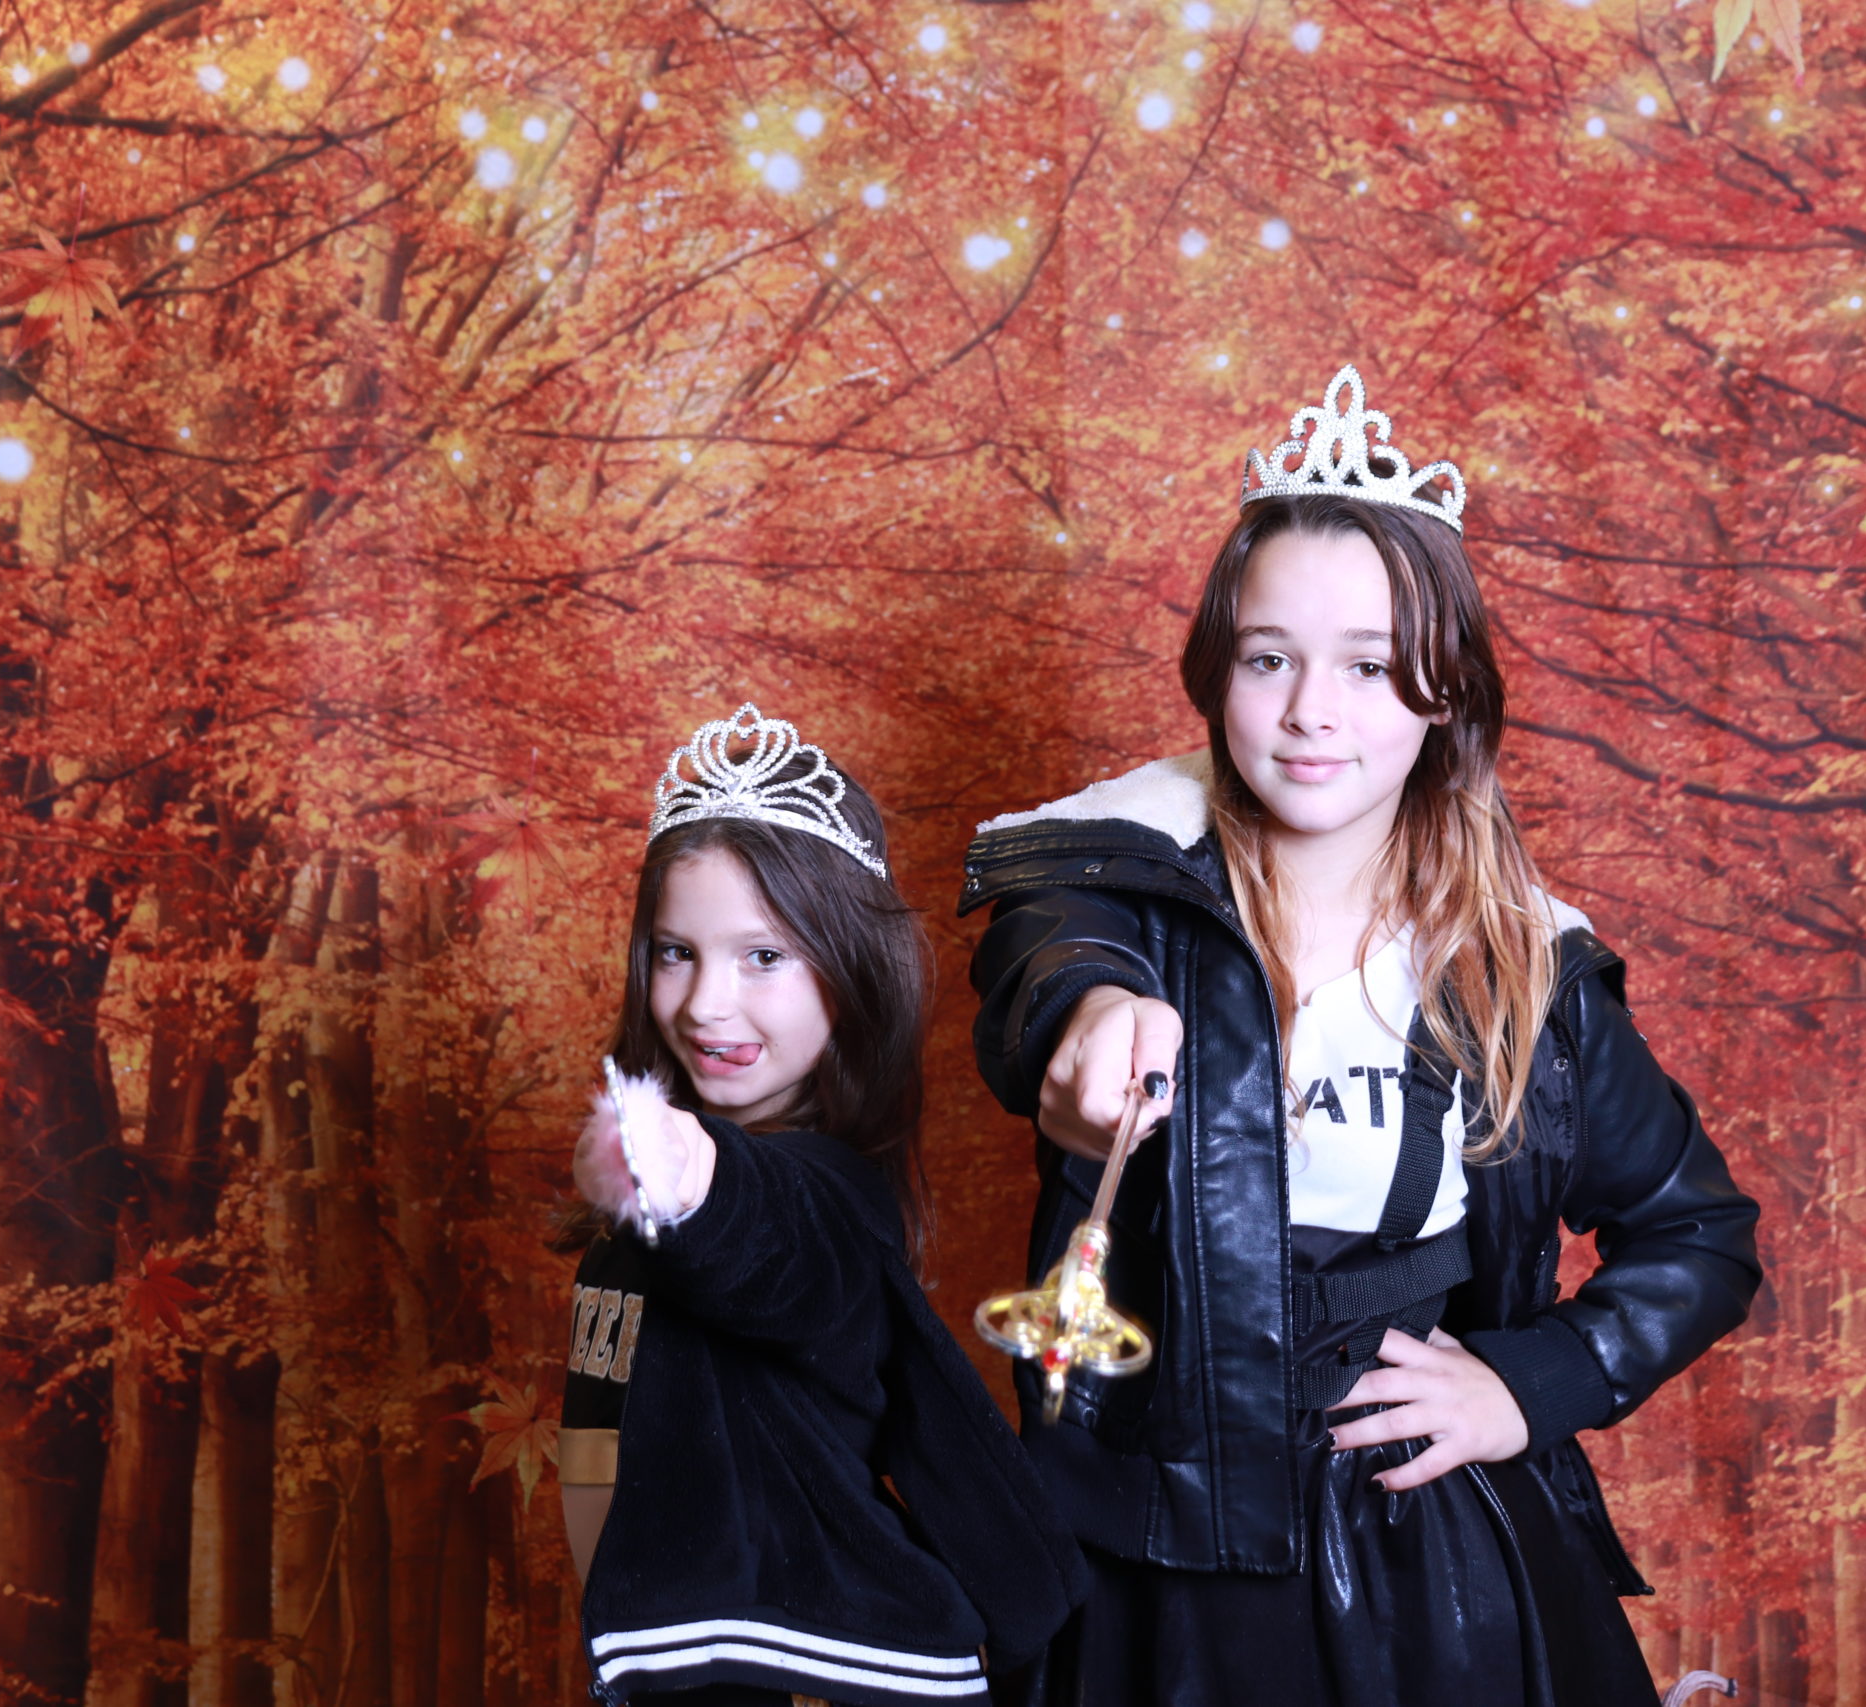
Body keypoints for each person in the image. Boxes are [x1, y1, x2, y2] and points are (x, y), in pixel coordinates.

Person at [960, 368, 1764, 1706]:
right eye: (1269, 658)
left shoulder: (1523, 967)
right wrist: (1091, 1022)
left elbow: (1702, 1234)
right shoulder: (1109, 882)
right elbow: (1047, 967)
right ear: (1217, 672)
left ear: (1443, 689)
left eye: (1370, 665)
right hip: (1154, 1554)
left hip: (1425, 1567)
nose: (1311, 711)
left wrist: (1531, 1380)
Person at [558, 703, 1086, 1706]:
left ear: (849, 972)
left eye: (764, 956)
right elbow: (597, 1469)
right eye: (676, 951)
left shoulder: (827, 1197)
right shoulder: (628, 1241)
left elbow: (763, 1235)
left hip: (828, 1671)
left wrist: (677, 1165)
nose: (706, 1002)